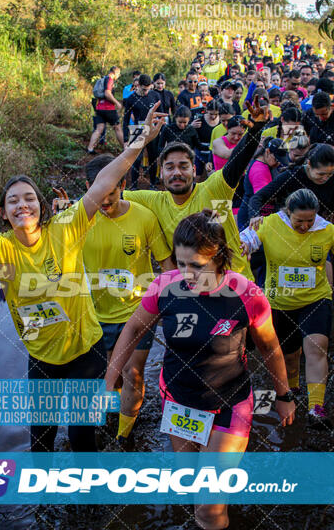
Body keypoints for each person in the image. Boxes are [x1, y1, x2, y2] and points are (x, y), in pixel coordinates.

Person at [0, 105, 166, 453]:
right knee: (40, 436)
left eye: (29, 198)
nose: (22, 205)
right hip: (41, 355)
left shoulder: (66, 227)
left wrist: (138, 141)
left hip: (85, 349)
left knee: (81, 435)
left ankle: (85, 499)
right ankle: (42, 502)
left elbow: (104, 181)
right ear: (3, 213)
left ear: (42, 206)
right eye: (13, 201)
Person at [106, 210, 294, 530]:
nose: (187, 274)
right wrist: (110, 381)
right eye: (180, 264)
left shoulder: (247, 294)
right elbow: (135, 327)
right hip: (179, 401)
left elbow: (269, 347)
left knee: (209, 508)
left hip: (228, 404)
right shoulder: (164, 286)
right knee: (188, 484)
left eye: (197, 265)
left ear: (219, 257)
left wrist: (284, 394)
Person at [123, 98, 270, 280]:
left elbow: (237, 162)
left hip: (235, 288)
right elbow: (107, 190)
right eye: (169, 167)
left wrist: (255, 131)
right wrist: (142, 137)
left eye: (183, 166)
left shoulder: (215, 188)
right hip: (193, 291)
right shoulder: (153, 201)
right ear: (161, 174)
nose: (177, 172)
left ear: (194, 170)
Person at [81, 155, 170, 446]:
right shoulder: (78, 220)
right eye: (99, 193)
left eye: (113, 193)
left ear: (123, 185)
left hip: (137, 312)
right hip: (96, 315)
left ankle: (124, 436)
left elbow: (167, 267)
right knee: (111, 375)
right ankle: (114, 412)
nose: (105, 202)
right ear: (88, 187)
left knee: (133, 373)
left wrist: (168, 305)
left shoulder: (144, 217)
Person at [241, 188, 334, 429]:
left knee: (316, 347)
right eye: (298, 221)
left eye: (309, 221)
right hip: (279, 303)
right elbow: (241, 245)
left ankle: (316, 408)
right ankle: (291, 389)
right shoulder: (269, 224)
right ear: (287, 213)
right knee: (290, 358)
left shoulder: (328, 230)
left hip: (316, 299)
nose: (304, 226)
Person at [248, 143, 334, 223]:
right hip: (288, 227)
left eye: (330, 174)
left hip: (317, 229)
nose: (325, 178)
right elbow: (257, 197)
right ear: (309, 164)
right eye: (321, 174)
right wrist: (255, 216)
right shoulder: (292, 176)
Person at [237, 137, 288, 230]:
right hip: (251, 220)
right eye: (276, 159)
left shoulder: (264, 164)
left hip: (257, 217)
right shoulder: (260, 170)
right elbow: (264, 196)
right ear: (267, 152)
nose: (278, 164)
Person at [123, 74, 160, 189]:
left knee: (153, 157)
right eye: (144, 89)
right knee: (136, 158)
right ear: (138, 85)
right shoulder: (131, 99)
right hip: (137, 129)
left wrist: (160, 129)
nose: (146, 92)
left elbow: (162, 114)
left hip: (152, 129)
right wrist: (125, 139)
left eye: (149, 89)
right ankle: (134, 185)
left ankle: (153, 183)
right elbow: (125, 119)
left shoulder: (155, 95)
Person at [88, 66, 124, 153]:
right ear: (115, 73)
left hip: (99, 107)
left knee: (99, 129)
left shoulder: (103, 79)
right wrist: (117, 103)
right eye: (118, 74)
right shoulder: (110, 80)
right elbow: (107, 93)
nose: (118, 76)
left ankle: (90, 148)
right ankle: (126, 149)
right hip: (108, 109)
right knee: (118, 128)